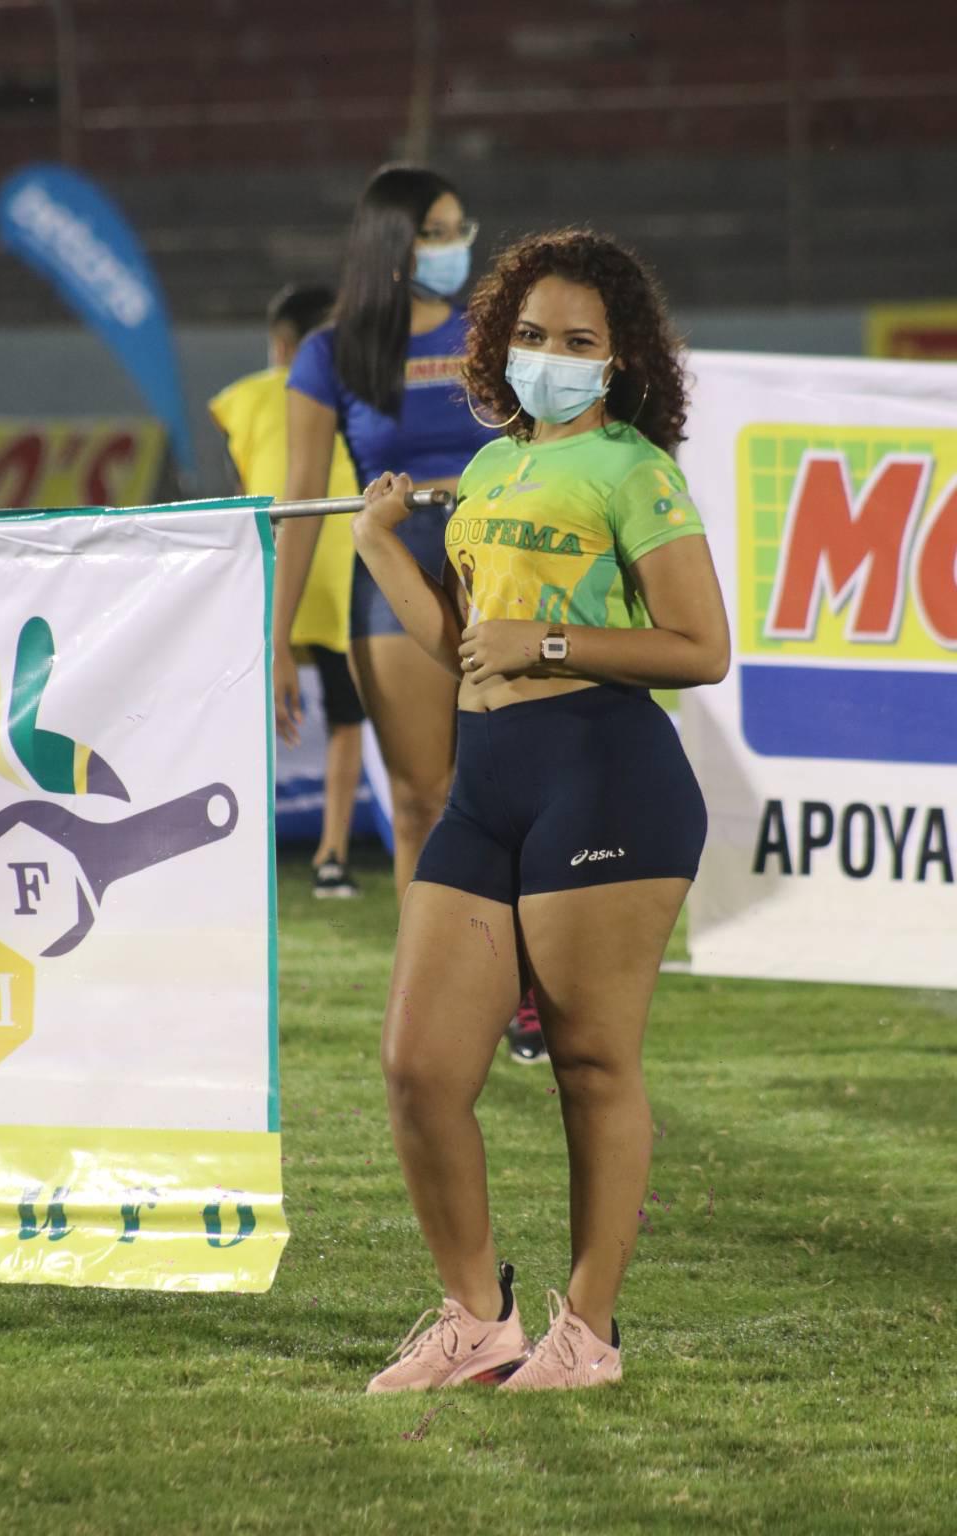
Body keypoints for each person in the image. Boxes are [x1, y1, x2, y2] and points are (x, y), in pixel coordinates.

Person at [352, 229, 730, 1392]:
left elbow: (701, 650)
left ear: (618, 364)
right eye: (530, 336)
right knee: (418, 1068)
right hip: (491, 779)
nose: (548, 357)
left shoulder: (634, 470)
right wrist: (380, 552)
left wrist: (551, 639)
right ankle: (479, 1319)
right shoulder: (494, 469)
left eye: (577, 342)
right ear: (498, 344)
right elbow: (467, 650)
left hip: (607, 771)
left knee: (589, 1063)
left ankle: (589, 1334)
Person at [274, 163, 549, 1061]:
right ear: (394, 243)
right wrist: (276, 643)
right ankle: (431, 993)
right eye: (436, 230)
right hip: (391, 580)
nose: (455, 245)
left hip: (502, 572)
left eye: (460, 227)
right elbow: (301, 507)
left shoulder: (498, 332)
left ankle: (524, 988)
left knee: (515, 791)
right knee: (423, 798)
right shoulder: (329, 354)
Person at [209, 285, 365, 897]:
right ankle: (332, 857)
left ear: (279, 343)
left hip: (271, 564)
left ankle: (228, 849)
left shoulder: (241, 399)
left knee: (235, 713)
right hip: (343, 563)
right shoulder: (358, 393)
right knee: (347, 718)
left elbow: (244, 488)